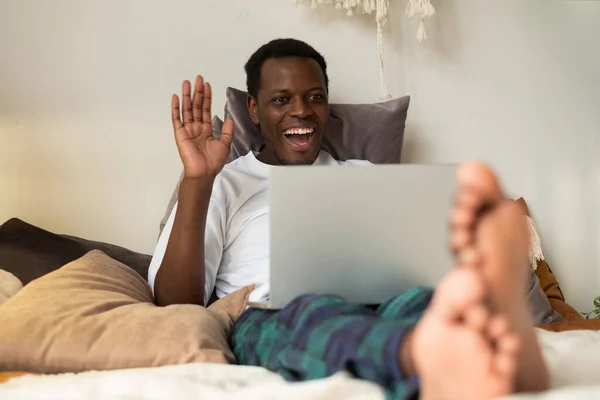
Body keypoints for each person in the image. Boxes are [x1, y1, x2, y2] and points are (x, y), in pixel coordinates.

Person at [148, 38, 549, 399]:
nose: (301, 111)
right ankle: (425, 355)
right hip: (274, 314)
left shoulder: (364, 174)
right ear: (253, 109)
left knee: (422, 300)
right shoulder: (224, 183)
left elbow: (413, 264)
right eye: (281, 100)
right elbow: (174, 304)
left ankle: (487, 345)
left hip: (379, 302)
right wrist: (197, 181)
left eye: (314, 97)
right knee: (316, 314)